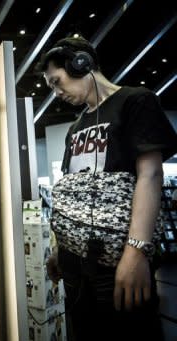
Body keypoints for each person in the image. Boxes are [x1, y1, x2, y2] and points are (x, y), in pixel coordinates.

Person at [38, 36, 177, 341]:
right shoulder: (75, 128)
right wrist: (60, 248)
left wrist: (135, 254)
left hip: (116, 261)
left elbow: (150, 176)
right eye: (52, 87)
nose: (58, 93)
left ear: (80, 65)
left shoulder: (135, 101)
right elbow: (71, 192)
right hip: (74, 266)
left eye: (58, 82)